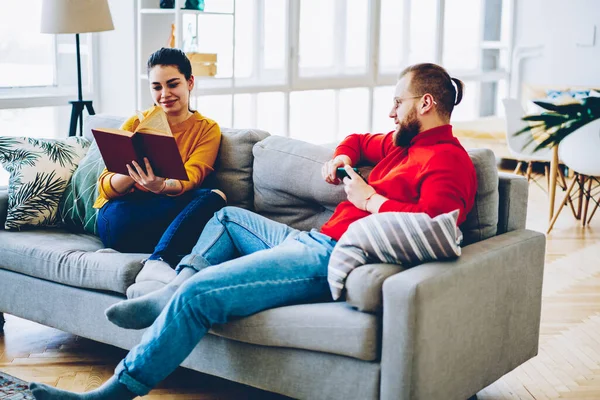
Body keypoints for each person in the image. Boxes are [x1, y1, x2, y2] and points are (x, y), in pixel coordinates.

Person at [29, 63, 478, 400]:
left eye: (398, 102)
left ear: (425, 104)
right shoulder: (405, 142)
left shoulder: (447, 161)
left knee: (199, 296)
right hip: (314, 238)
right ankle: (171, 288)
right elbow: (359, 141)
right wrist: (341, 158)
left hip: (328, 258)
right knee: (224, 217)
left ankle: (115, 390)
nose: (390, 110)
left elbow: (431, 229)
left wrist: (371, 201)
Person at [93, 47, 227, 284]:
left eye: (173, 84)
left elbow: (192, 177)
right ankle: (163, 256)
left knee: (214, 198)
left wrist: (160, 185)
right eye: (157, 87)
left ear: (190, 83)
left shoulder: (207, 128)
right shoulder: (137, 122)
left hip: (166, 209)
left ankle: (157, 260)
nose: (165, 94)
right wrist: (134, 175)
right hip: (122, 214)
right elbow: (105, 187)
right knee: (200, 220)